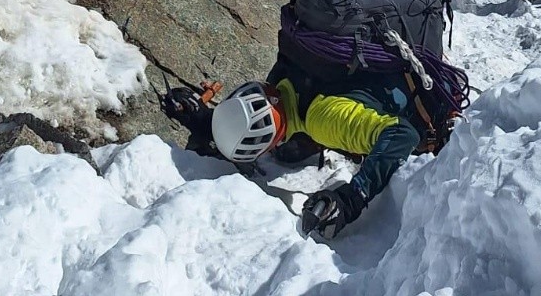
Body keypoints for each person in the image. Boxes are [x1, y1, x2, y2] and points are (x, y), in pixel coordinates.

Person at [162, 57, 426, 239]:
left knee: (292, 151)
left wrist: (353, 197)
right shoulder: (283, 75)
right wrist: (207, 121)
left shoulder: (323, 121)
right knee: (291, 153)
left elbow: (402, 135)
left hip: (413, 99)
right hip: (370, 79)